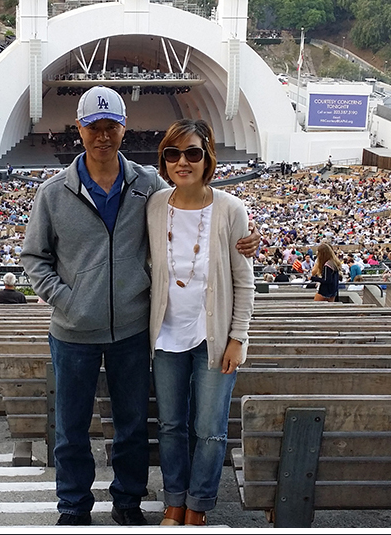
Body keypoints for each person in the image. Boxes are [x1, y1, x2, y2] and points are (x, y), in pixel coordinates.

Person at [21, 86, 258, 526]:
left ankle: (128, 502)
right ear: (80, 128)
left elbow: (206, 224)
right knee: (71, 430)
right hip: (73, 332)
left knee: (132, 427)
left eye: (111, 126)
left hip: (132, 328)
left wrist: (246, 241)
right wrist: (65, 299)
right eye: (94, 127)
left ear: (124, 129)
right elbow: (34, 257)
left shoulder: (147, 185)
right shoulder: (54, 193)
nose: (103, 136)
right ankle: (73, 506)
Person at [146, 119, 253, 526]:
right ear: (164, 161)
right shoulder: (155, 206)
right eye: (172, 154)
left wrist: (237, 337)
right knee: (171, 425)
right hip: (166, 336)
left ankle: (198, 505)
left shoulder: (230, 209)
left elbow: (244, 280)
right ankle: (175, 500)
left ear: (208, 157)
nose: (182, 162)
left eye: (192, 153)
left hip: (213, 337)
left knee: (210, 429)